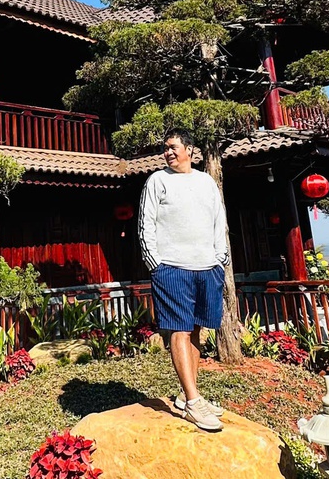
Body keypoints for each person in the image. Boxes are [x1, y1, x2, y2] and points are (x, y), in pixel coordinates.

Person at [138, 128, 228, 432]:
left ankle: (189, 395)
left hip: (207, 266)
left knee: (197, 330)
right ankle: (192, 402)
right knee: (179, 329)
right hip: (172, 267)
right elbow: (146, 223)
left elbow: (219, 220)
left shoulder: (206, 182)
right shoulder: (157, 181)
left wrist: (220, 257)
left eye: (173, 147)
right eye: (165, 148)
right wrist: (155, 263)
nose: (168, 152)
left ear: (189, 150)